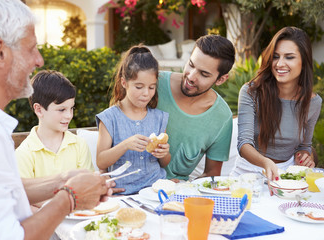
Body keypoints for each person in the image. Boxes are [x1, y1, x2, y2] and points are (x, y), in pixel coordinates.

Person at [0, 1, 110, 239]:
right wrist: (69, 198)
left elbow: (1, 191)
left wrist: (63, 179)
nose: (39, 60)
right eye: (31, 48)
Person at [231, 26, 322, 181]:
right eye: (276, 56)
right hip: (248, 172)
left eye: (289, 57)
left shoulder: (312, 102)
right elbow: (244, 144)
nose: (280, 64)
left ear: (304, 60)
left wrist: (306, 156)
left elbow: (304, 146)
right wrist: (266, 163)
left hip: (288, 175)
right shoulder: (251, 92)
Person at [156, 35, 236, 181]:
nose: (191, 77)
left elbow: (211, 176)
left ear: (221, 79)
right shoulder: (154, 84)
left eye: (204, 74)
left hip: (176, 195)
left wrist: (185, 187)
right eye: (191, 65)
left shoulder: (222, 118)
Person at [96, 45, 170, 194]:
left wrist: (164, 154)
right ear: (124, 83)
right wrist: (125, 145)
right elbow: (100, 161)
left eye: (151, 87)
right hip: (123, 192)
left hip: (155, 190)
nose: (146, 94)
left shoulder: (159, 117)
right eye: (139, 87)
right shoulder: (110, 118)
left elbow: (164, 163)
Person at [16, 70, 94, 179]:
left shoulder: (79, 145)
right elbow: (26, 193)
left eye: (72, 108)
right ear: (39, 109)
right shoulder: (24, 153)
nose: (69, 115)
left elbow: (88, 185)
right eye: (62, 110)